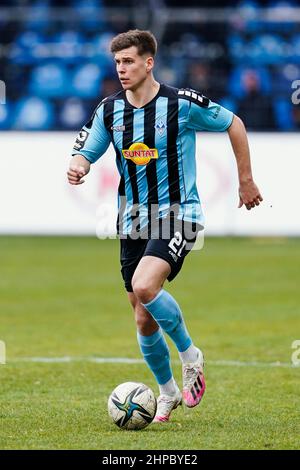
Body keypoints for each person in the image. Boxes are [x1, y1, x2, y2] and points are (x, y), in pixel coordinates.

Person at [67, 29, 263, 423]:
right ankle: (167, 392)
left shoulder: (181, 103)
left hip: (180, 214)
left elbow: (234, 123)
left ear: (149, 62)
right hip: (133, 218)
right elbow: (86, 149)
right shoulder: (110, 109)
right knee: (141, 313)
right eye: (118, 62)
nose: (122, 69)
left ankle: (191, 356)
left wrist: (245, 180)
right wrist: (79, 165)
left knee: (145, 285)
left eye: (129, 61)